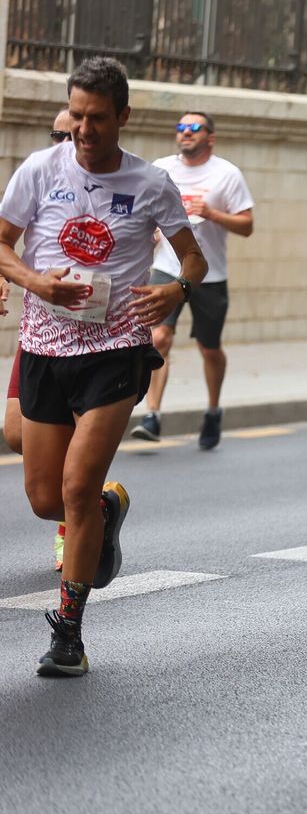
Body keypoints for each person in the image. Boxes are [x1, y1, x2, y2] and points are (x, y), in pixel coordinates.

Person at [0, 56, 206, 676]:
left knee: (75, 488)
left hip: (114, 351)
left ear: (122, 116)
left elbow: (192, 259)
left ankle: (69, 634)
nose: (84, 131)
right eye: (76, 117)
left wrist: (175, 291)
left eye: (97, 119)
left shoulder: (149, 184)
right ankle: (107, 511)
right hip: (43, 346)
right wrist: (36, 279)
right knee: (43, 499)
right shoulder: (40, 169)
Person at [132, 111, 255, 449]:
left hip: (210, 275)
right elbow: (143, 209)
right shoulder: (161, 168)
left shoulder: (227, 174)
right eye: (181, 127)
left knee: (209, 349)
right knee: (159, 337)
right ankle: (152, 415)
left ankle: (213, 410)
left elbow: (247, 225)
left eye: (194, 128)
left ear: (210, 137)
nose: (185, 132)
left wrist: (213, 213)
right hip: (168, 267)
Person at [5, 110, 77, 572]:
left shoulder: (121, 180)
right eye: (59, 133)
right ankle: (87, 498)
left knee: (74, 464)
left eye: (76, 132)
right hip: (40, 328)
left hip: (96, 339)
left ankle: (77, 513)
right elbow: (5, 239)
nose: (68, 140)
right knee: (15, 432)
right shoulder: (38, 173)